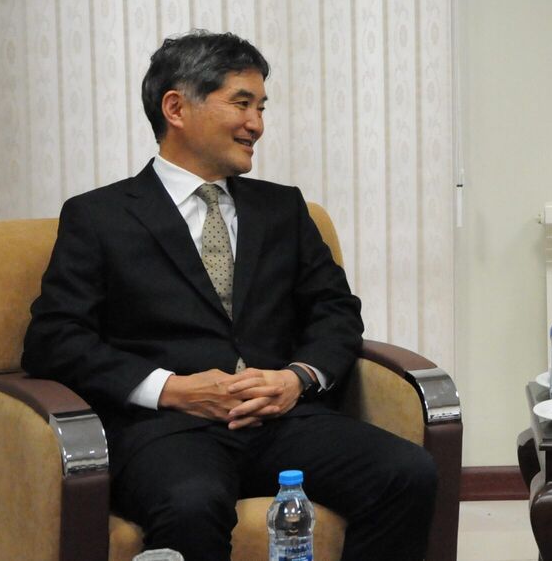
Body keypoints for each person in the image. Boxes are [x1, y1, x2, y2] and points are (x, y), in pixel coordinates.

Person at [22, 31, 437, 561]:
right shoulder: (99, 216)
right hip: (166, 430)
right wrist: (172, 389)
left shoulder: (284, 209)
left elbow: (336, 313)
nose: (257, 124)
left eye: (261, 107)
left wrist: (298, 378)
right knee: (192, 504)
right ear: (176, 107)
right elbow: (53, 338)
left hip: (284, 420)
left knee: (408, 472)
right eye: (241, 103)